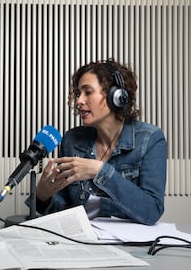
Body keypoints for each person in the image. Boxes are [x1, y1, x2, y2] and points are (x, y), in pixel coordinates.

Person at [33, 59, 167, 225]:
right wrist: (43, 196)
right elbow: (64, 211)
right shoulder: (72, 140)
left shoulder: (150, 139)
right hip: (82, 243)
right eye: (78, 94)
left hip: (129, 245)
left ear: (116, 96)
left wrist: (100, 171)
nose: (79, 101)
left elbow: (152, 210)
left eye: (88, 92)